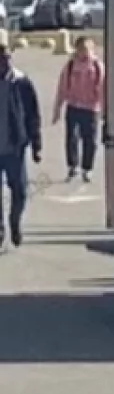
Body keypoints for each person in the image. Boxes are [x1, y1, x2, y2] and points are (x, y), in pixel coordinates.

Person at [0, 39, 42, 249]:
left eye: (6, 58)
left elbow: (33, 115)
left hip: (14, 148)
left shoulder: (22, 82)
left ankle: (14, 221)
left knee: (20, 191)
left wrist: (36, 144)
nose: (4, 62)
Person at [52, 36, 105, 183]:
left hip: (91, 108)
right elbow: (62, 88)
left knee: (91, 140)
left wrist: (104, 111)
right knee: (72, 138)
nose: (85, 52)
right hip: (74, 107)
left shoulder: (97, 66)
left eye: (88, 49)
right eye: (82, 49)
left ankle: (87, 168)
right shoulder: (70, 66)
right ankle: (72, 166)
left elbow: (102, 89)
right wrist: (57, 109)